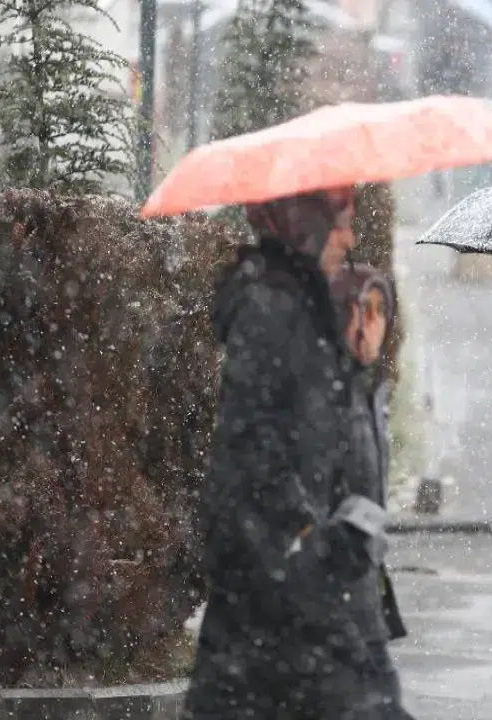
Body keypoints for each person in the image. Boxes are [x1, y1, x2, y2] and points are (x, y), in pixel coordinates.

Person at [185, 188, 394, 720]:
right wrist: (307, 537)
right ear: (305, 226)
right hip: (289, 578)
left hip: (295, 576)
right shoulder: (275, 310)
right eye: (339, 222)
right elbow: (255, 443)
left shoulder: (303, 303)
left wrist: (355, 361)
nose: (348, 236)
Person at [329, 262, 414, 719]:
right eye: (361, 310)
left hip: (362, 576)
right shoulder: (323, 389)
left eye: (381, 311)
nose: (371, 324)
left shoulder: (370, 389)